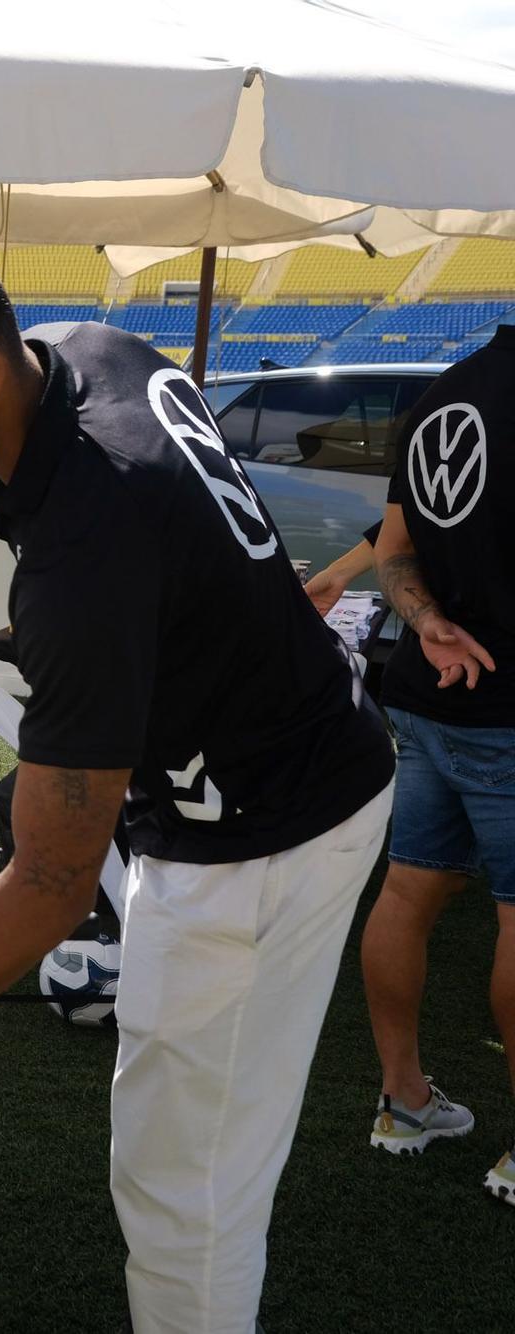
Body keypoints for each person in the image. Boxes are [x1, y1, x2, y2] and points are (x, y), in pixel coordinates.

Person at [0, 218, 395, 1333]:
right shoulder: (88, 348)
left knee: (185, 1185)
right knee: (172, 1149)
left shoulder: (86, 549)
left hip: (270, 826)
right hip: (281, 757)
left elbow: (49, 884)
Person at [359, 329, 513, 1197]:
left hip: (426, 689)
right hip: (502, 705)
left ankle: (403, 1100)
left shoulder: (438, 395)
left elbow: (394, 550)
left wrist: (424, 623)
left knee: (410, 889)